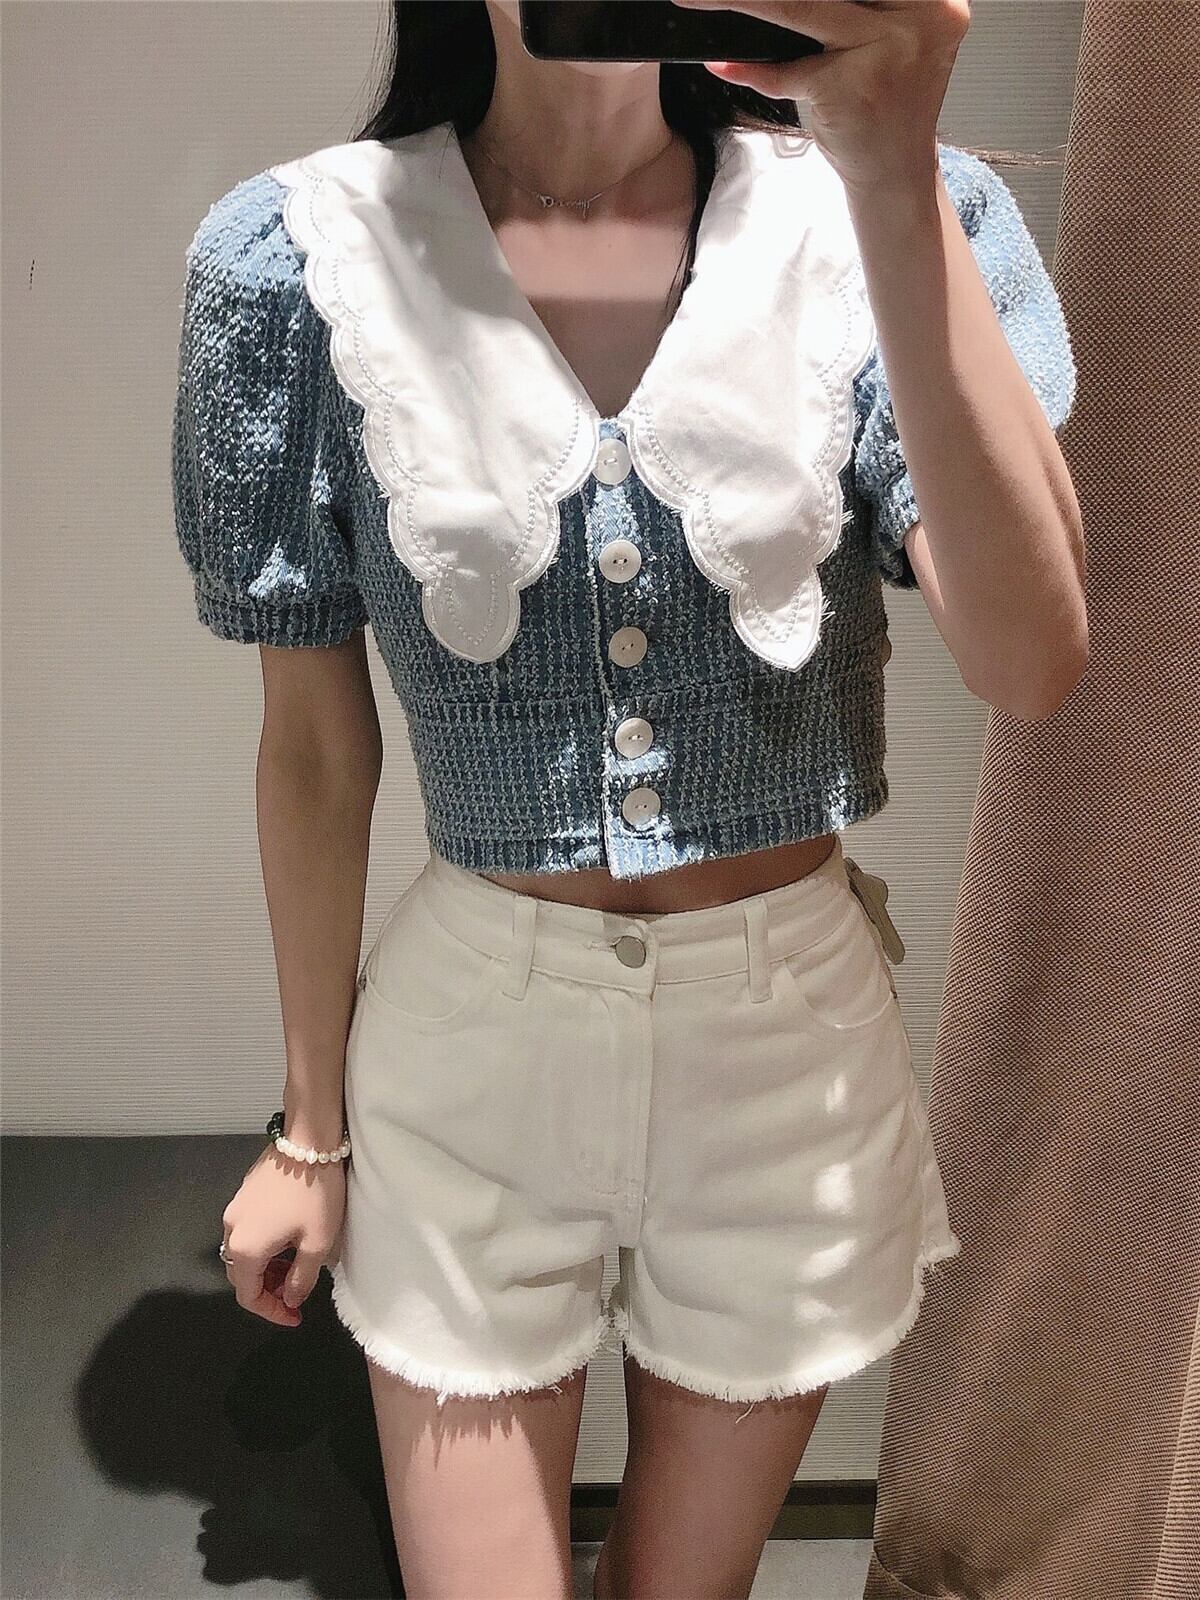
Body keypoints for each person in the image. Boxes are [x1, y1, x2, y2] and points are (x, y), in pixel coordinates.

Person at [171, 2, 1086, 1595]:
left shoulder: (898, 212)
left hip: (789, 1060)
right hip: (472, 1055)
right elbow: (314, 748)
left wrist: (888, 170)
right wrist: (309, 1133)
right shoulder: (298, 265)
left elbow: (1032, 660)